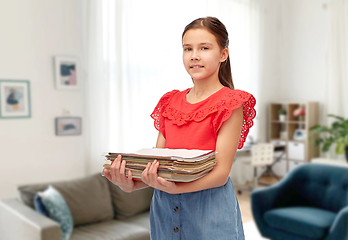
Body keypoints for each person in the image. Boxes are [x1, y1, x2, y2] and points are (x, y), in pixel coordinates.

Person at [104, 16, 256, 240]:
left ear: (223, 54)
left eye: (204, 47)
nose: (194, 55)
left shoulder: (231, 102)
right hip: (165, 209)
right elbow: (159, 166)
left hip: (209, 209)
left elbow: (221, 175)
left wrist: (176, 189)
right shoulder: (170, 101)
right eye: (188, 48)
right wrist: (130, 185)